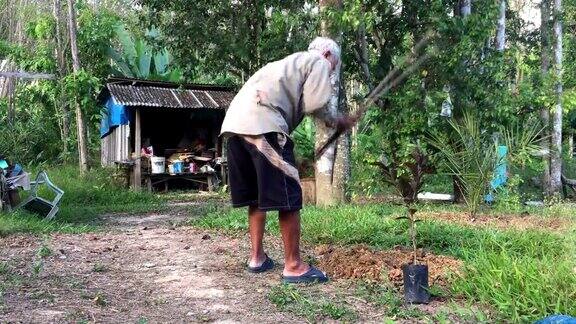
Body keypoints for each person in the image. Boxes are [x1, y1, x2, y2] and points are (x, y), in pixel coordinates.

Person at [220, 37, 354, 283]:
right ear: (327, 54)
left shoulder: (285, 64)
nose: (332, 71)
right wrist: (338, 120)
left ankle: (257, 258)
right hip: (263, 125)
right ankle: (294, 266)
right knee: (289, 197)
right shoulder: (318, 61)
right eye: (334, 65)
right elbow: (315, 104)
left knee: (257, 196)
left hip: (234, 126)